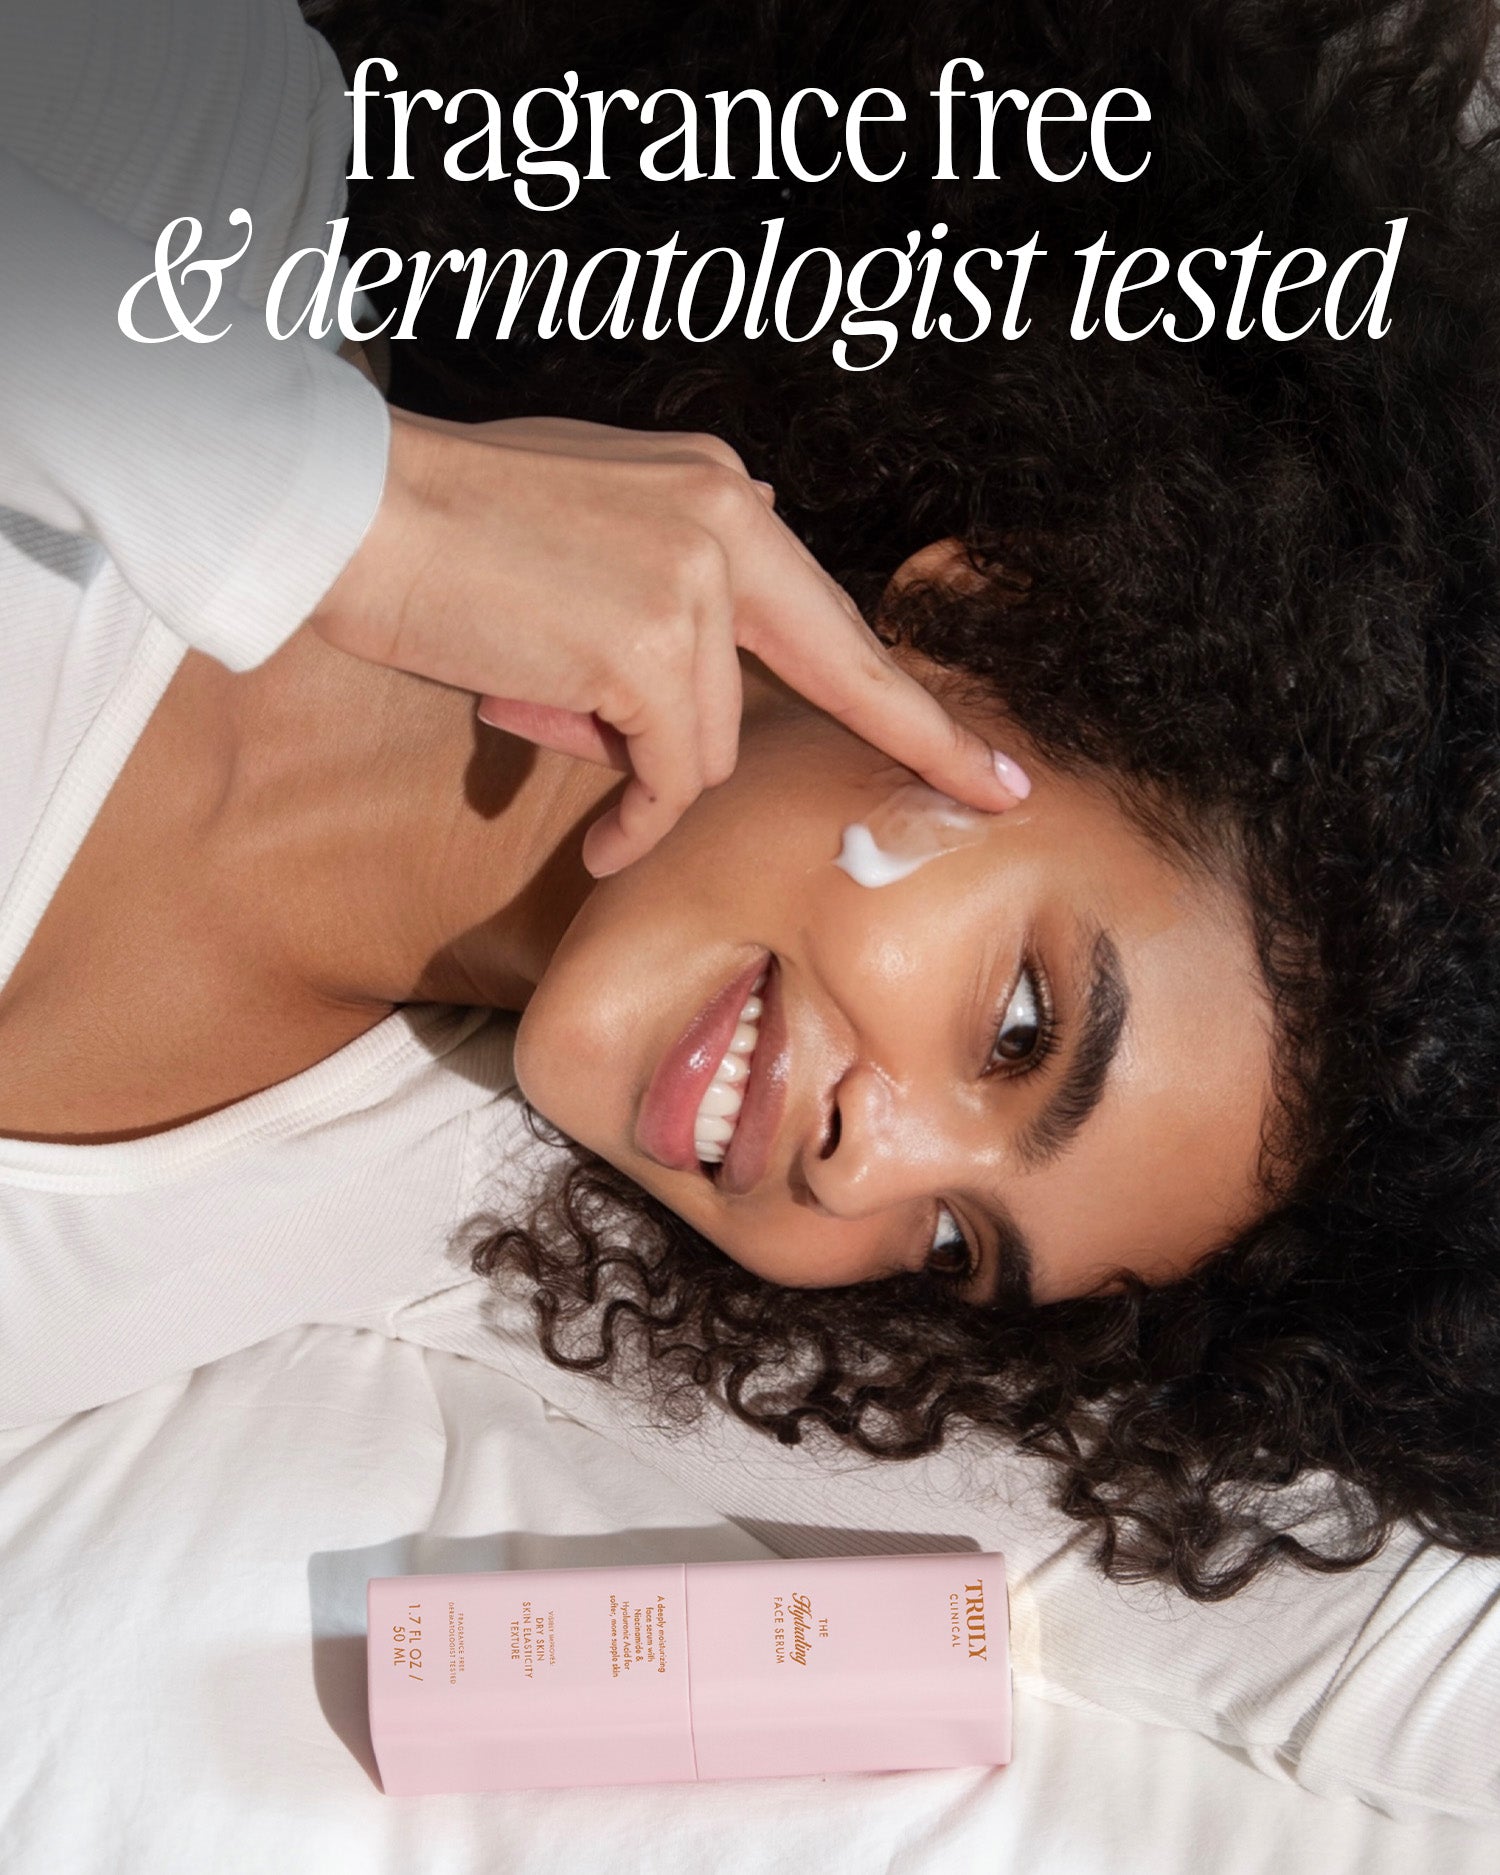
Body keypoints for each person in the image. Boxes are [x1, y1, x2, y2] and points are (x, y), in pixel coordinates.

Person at [0, 0, 1494, 1613]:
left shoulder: (351, 1220)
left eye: (956, 1248)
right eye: (1020, 1026)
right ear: (999, 623)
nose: (861, 1176)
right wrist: (335, 507)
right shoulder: (187, 174)